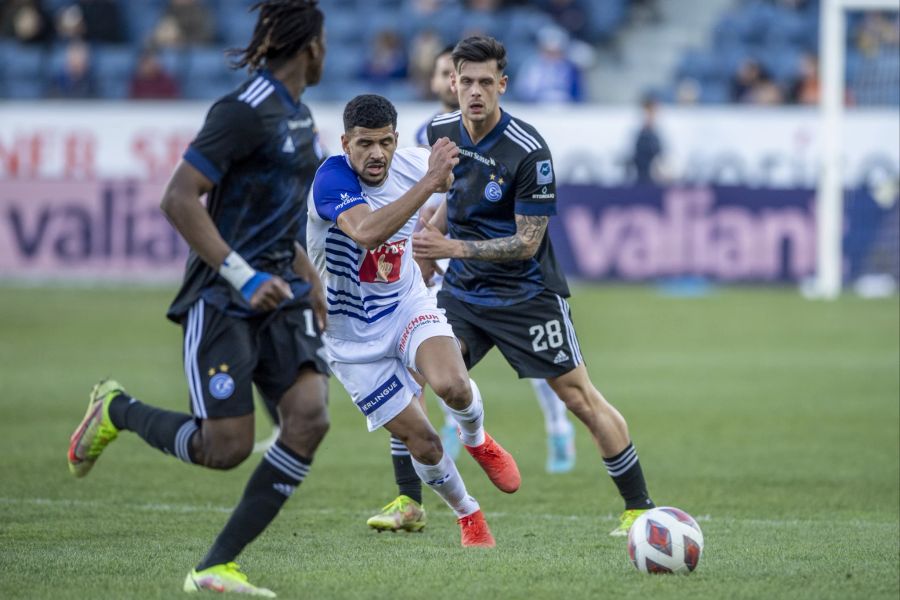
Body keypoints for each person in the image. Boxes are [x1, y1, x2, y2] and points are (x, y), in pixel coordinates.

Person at [66, 1, 330, 595]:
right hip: (224, 295)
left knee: (309, 418)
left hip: (279, 292)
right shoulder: (242, 111)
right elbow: (179, 198)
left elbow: (276, 213)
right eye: (325, 43)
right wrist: (242, 276)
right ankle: (117, 411)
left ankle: (215, 565)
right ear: (311, 47)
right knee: (226, 448)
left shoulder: (300, 117)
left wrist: (308, 274)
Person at [413, 36, 656, 537]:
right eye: (467, 82)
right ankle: (453, 463)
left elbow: (527, 242)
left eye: (486, 82)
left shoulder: (528, 150)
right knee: (424, 378)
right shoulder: (439, 132)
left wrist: (450, 249)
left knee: (580, 399)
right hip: (464, 294)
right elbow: (452, 200)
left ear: (501, 85)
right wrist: (433, 229)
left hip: (527, 296)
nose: (475, 92)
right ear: (452, 83)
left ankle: (638, 508)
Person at [308, 93, 520, 543]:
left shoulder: (411, 163)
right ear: (345, 142)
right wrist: (429, 184)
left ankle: (477, 438)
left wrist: (448, 208)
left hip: (406, 305)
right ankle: (469, 514)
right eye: (364, 144)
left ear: (396, 139)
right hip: (350, 341)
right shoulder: (331, 179)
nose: (376, 154)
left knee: (453, 385)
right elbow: (367, 233)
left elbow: (483, 169)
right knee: (423, 442)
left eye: (385, 142)